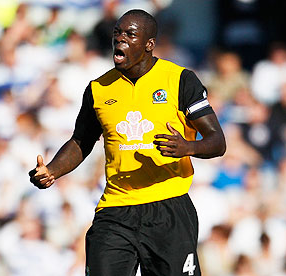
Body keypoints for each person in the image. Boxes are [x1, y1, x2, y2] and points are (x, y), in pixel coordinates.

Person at [29, 9, 226, 276]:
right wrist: (53, 170)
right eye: (117, 33)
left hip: (168, 206)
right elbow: (81, 141)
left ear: (149, 44)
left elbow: (217, 141)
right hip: (115, 208)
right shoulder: (99, 89)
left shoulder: (179, 80)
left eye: (130, 34)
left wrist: (187, 147)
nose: (120, 39)